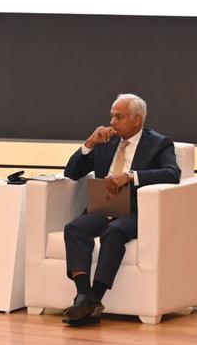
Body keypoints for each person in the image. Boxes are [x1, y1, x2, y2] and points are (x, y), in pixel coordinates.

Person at [61, 93, 179, 326]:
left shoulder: (159, 144)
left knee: (113, 231)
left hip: (134, 211)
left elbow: (172, 173)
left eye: (119, 117)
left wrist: (131, 176)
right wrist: (89, 143)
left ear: (137, 120)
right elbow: (71, 173)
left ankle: (93, 298)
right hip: (103, 207)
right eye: (112, 116)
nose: (112, 122)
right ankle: (84, 296)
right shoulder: (106, 141)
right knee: (74, 229)